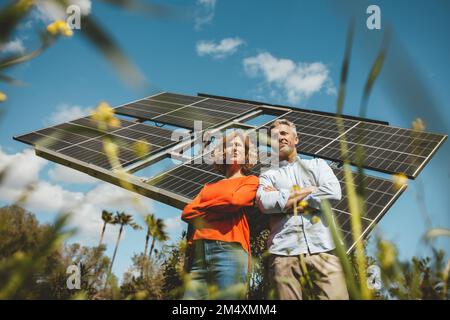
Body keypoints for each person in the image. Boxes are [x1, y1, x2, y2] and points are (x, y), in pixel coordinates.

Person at [256, 119, 349, 300]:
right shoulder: (268, 175)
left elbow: (333, 192)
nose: (279, 138)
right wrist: (311, 190)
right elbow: (265, 203)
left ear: (296, 139)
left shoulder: (318, 165)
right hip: (283, 254)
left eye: (284, 133)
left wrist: (283, 201)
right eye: (274, 136)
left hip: (324, 249)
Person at [181, 130, 258, 299]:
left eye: (239, 146)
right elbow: (186, 212)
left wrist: (203, 209)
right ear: (223, 152)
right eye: (231, 145)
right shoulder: (208, 186)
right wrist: (221, 207)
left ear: (246, 155)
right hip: (199, 253)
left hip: (229, 251)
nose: (235, 148)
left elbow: (235, 202)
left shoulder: (250, 181)